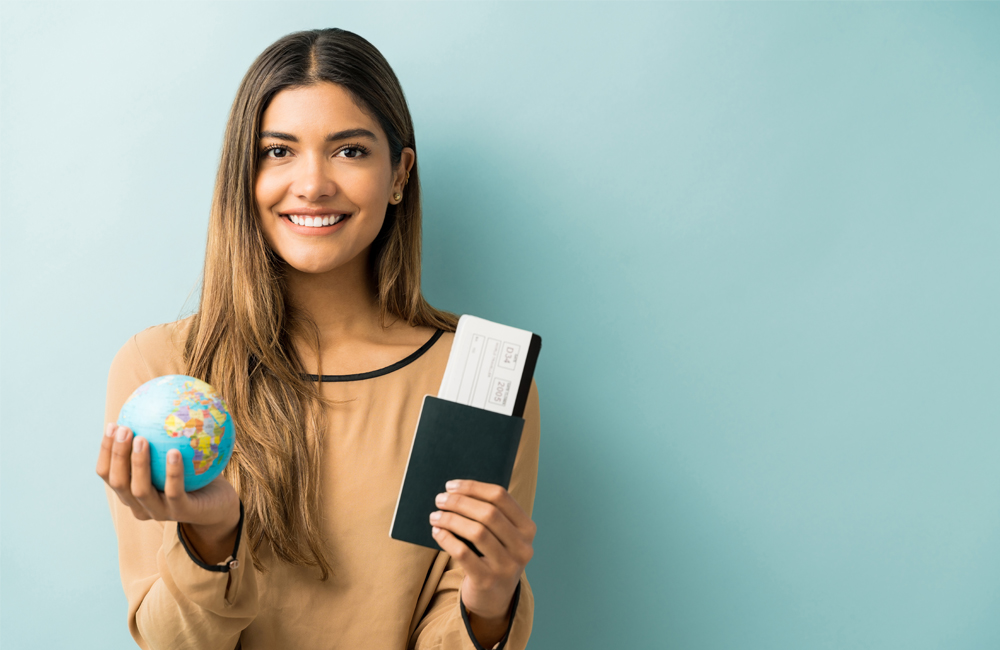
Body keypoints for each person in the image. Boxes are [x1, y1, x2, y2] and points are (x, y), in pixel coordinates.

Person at [95, 28, 539, 650]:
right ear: (242, 176)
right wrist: (214, 537)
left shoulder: (473, 374)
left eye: (350, 151)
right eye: (278, 151)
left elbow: (450, 621)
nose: (312, 184)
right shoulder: (167, 369)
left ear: (399, 174)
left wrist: (488, 602)